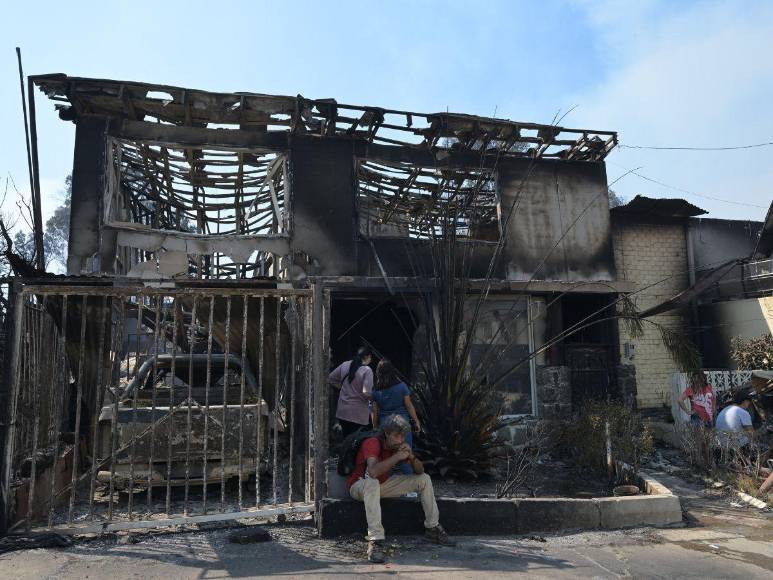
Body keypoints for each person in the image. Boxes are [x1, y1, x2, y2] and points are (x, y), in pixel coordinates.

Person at [348, 414, 454, 563]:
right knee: (372, 483)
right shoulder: (372, 442)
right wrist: (397, 457)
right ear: (386, 434)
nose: (401, 440)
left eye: (403, 436)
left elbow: (420, 471)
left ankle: (433, 528)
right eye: (397, 436)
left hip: (382, 485)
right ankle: (376, 540)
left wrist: (411, 457)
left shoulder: (396, 446)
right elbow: (372, 472)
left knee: (424, 479)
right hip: (359, 486)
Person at [372, 359, 421, 474]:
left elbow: (374, 411)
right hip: (402, 424)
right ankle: (409, 486)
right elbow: (409, 406)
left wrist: (374, 427)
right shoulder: (402, 386)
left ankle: (387, 483)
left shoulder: (375, 390)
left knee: (386, 455)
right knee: (406, 453)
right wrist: (416, 421)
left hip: (386, 426)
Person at [329, 347, 374, 438]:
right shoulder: (367, 370)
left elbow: (330, 379)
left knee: (346, 441)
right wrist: (375, 398)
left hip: (343, 412)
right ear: (367, 357)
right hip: (358, 414)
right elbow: (366, 393)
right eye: (370, 357)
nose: (371, 359)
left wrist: (343, 388)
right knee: (357, 444)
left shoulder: (345, 365)